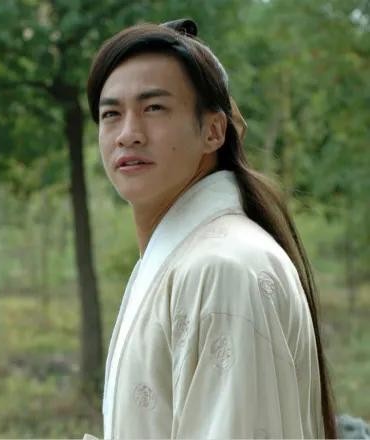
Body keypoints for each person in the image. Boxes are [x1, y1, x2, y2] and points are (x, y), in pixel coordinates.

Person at [86, 19, 337, 439]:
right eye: (111, 114)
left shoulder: (222, 269)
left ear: (213, 130)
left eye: (154, 108)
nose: (128, 134)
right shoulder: (191, 258)